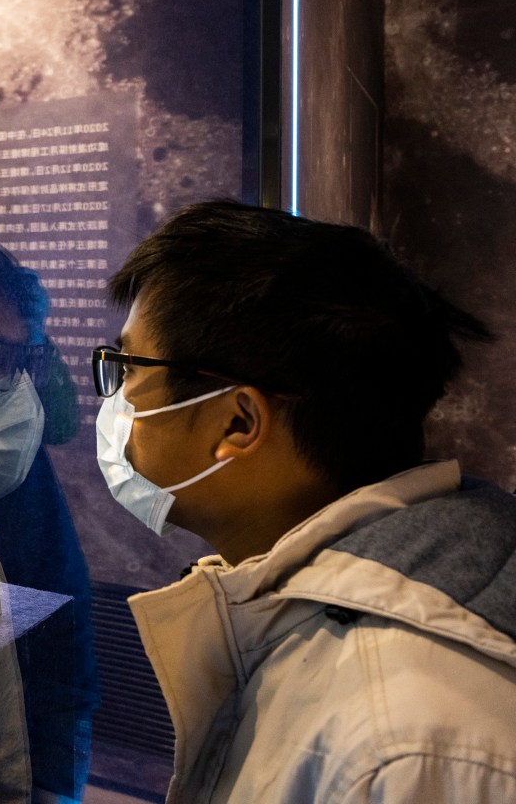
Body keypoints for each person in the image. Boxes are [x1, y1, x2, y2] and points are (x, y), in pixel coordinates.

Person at [93, 200, 516, 802]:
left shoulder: (406, 739)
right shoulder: (318, 610)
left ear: (237, 424)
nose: (116, 400)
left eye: (129, 368)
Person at [0, 234, 98, 802]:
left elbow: (61, 656)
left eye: (18, 359)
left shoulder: (24, 491)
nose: (7, 385)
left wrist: (52, 785)